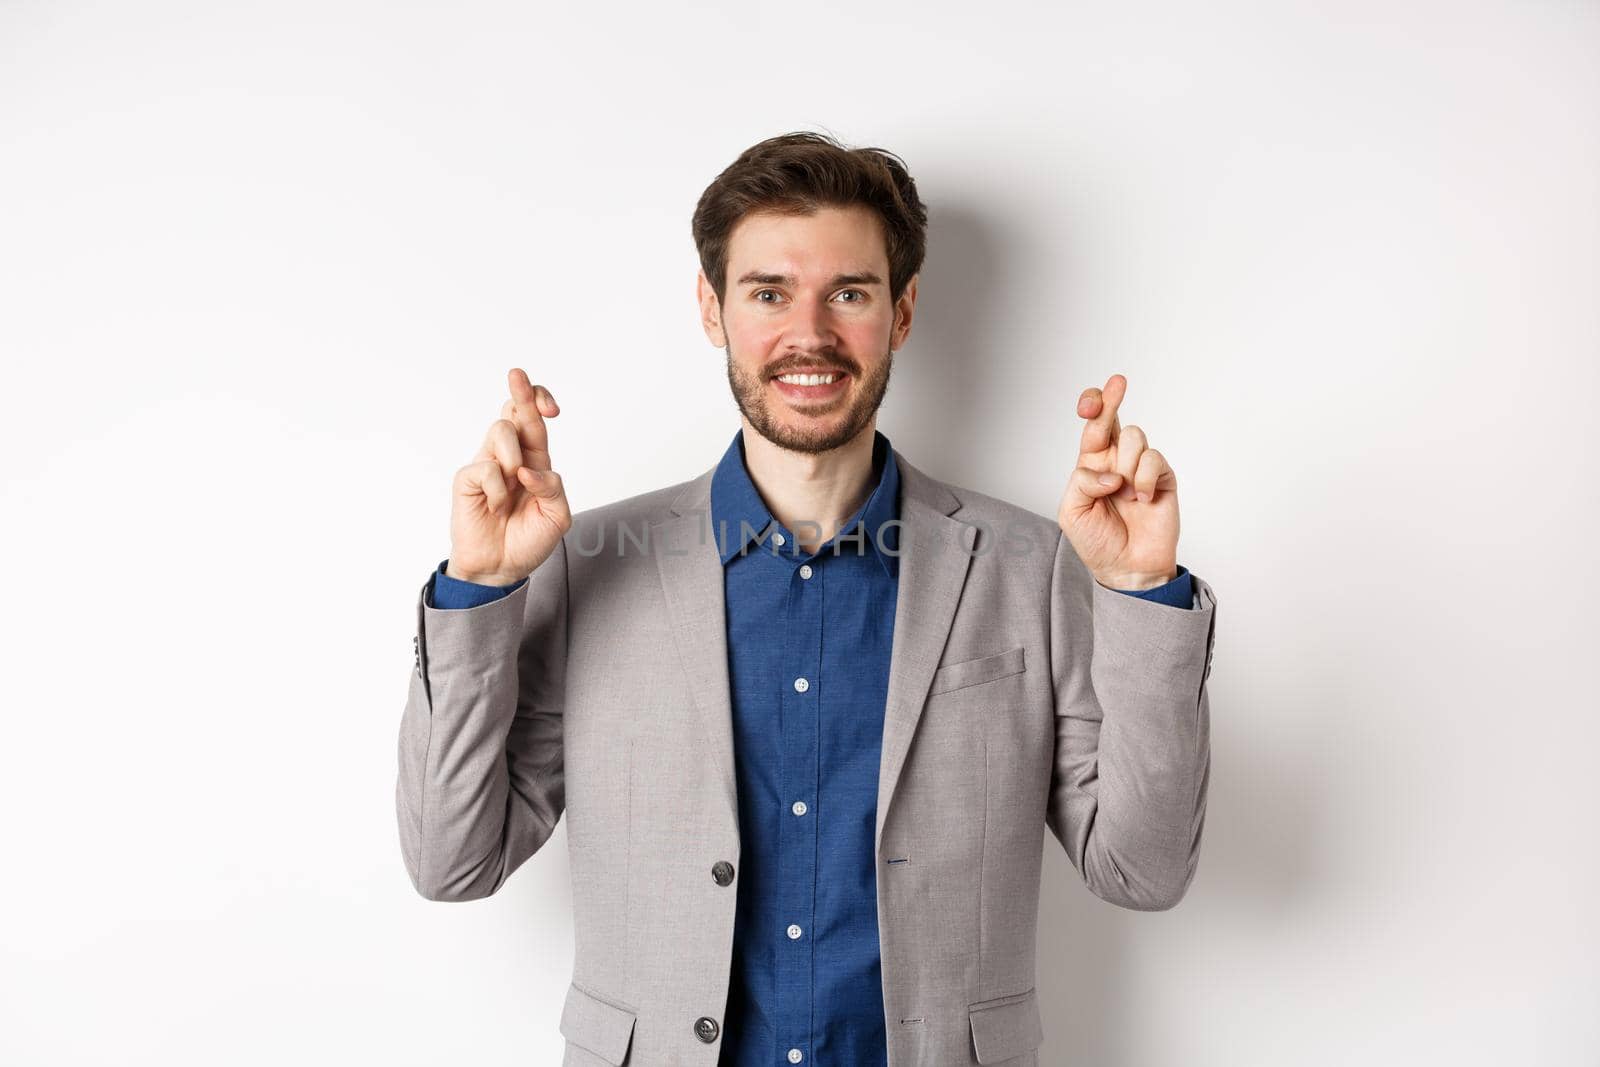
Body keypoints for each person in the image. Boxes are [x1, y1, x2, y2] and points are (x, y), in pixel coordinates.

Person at [396, 130, 1218, 1067]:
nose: (810, 334)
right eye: (769, 292)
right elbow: (452, 861)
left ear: (903, 311)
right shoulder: (589, 565)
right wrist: (482, 587)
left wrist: (1143, 588)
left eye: (851, 293)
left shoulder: (1028, 564)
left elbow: (1143, 871)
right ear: (712, 307)